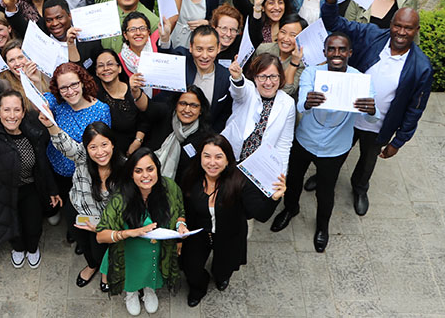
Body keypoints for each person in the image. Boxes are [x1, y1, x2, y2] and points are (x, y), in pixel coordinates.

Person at [319, 0, 432, 216]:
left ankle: (360, 188)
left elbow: (415, 109)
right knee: (335, 151)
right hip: (348, 115)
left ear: (416, 30)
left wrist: (398, 141)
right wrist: (331, 1)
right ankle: (324, 176)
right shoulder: (372, 35)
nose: (401, 32)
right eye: (397, 25)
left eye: (408, 28)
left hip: (379, 125)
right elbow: (335, 24)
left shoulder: (422, 67)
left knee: (367, 161)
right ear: (391, 24)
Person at [270, 32, 376, 252]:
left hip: (335, 147)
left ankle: (322, 227)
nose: (336, 54)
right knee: (294, 179)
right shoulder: (312, 72)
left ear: (350, 53)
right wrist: (308, 102)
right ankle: (290, 209)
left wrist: (371, 110)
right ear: (325, 52)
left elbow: (369, 118)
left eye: (342, 49)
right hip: (305, 140)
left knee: (326, 191)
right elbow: (300, 106)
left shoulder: (360, 79)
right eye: (332, 49)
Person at [178, 135, 285, 307]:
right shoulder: (190, 177)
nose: (212, 162)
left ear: (228, 159)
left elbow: (260, 215)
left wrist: (274, 199)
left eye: (218, 157)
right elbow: (181, 206)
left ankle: (221, 277)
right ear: (200, 158)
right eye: (207, 156)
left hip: (230, 235)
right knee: (190, 268)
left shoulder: (240, 181)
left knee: (224, 267)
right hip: (199, 232)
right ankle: (198, 288)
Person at [0, 83, 60, 269]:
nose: (12, 115)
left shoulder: (32, 132)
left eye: (17, 110)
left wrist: (51, 189)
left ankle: (32, 249)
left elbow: (42, 164)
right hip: (1, 192)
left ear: (23, 112)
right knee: (10, 225)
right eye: (6, 110)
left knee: (33, 226)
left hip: (29, 187)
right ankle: (18, 248)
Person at [95, 148, 187, 315]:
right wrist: (129, 233)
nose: (145, 175)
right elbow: (101, 236)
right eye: (138, 171)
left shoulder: (170, 188)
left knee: (152, 270)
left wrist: (180, 225)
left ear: (157, 169)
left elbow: (180, 211)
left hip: (157, 250)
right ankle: (131, 293)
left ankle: (149, 290)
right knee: (132, 273)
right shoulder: (120, 198)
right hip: (129, 251)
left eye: (150, 169)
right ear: (131, 174)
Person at [46, 120, 124, 292]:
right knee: (83, 245)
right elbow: (64, 144)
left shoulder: (124, 169)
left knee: (100, 251)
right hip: (77, 211)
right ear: (86, 149)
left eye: (104, 144)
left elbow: (125, 207)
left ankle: (104, 271)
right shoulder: (82, 158)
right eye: (93, 147)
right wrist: (51, 125)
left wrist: (102, 226)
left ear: (112, 144)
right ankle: (91, 266)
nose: (100, 152)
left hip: (103, 222)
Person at [44, 63, 112, 240]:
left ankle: (81, 234)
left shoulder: (101, 109)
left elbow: (103, 145)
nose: (70, 91)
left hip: (85, 173)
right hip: (58, 167)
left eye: (74, 84)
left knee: (83, 205)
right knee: (67, 202)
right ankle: (71, 228)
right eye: (63, 87)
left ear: (82, 83)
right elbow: (44, 100)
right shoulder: (57, 104)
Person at [221, 54, 295, 170]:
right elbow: (238, 91)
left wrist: (280, 175)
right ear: (255, 77)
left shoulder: (288, 103)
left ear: (280, 77)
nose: (268, 82)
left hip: (260, 166)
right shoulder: (249, 90)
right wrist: (237, 78)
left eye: (273, 76)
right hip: (231, 157)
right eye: (262, 77)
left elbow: (284, 144)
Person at [159, 26, 234, 132]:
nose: (204, 56)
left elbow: (224, 114)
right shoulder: (182, 61)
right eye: (199, 49)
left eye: (210, 50)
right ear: (191, 47)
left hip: (204, 135)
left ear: (218, 48)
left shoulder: (225, 77)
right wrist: (165, 39)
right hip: (170, 130)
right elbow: (167, 58)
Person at [144, 86, 210, 180]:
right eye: (183, 104)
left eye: (194, 106)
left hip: (182, 190)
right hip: (148, 181)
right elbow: (146, 106)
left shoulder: (205, 138)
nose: (187, 110)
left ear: (201, 110)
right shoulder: (163, 119)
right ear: (176, 105)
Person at [91, 49, 150, 155]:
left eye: (110, 64)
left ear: (119, 68)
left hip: (133, 151)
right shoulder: (93, 93)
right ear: (96, 72)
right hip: (104, 154)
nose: (105, 69)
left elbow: (145, 118)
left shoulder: (133, 90)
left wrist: (137, 142)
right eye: (100, 66)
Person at [248, 14, 307, 97]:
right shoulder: (263, 49)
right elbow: (250, 78)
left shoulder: (302, 62)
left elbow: (286, 90)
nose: (286, 39)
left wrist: (294, 63)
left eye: (293, 35)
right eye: (283, 32)